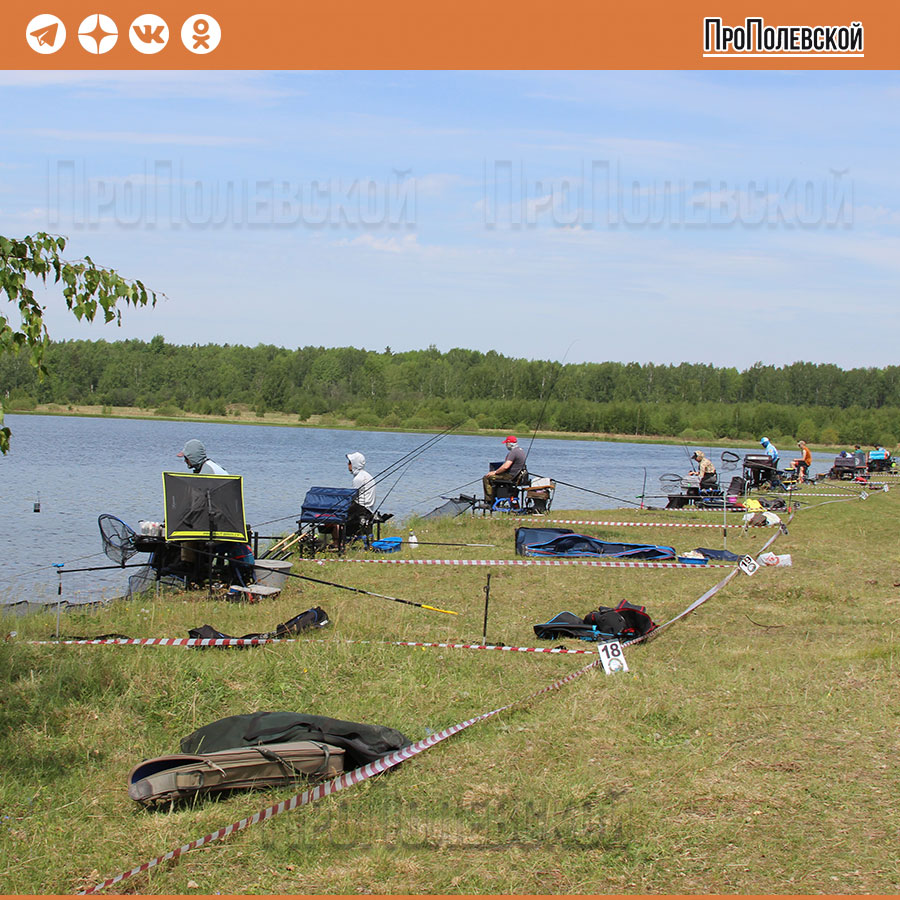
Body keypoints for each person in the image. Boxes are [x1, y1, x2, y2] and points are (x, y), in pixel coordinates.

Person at [483, 435, 527, 504]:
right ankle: (495, 497)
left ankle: (490, 500)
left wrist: (495, 472)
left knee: (487, 477)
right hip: (516, 475)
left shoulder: (513, 452)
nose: (506, 445)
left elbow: (505, 467)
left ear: (510, 443)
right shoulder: (520, 451)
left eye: (506, 443)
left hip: (510, 476)